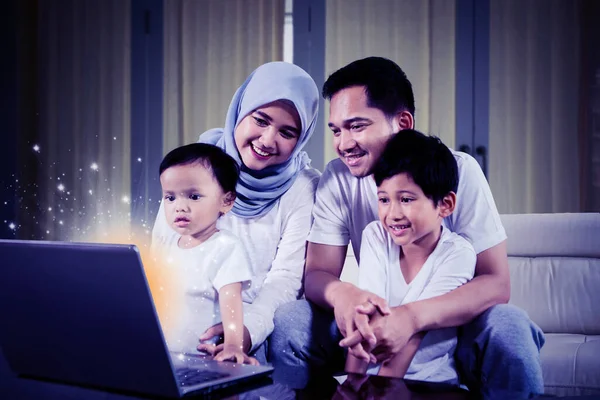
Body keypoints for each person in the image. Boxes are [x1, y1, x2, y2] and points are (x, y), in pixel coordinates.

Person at [270, 57, 545, 394]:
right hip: (369, 321)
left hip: (453, 327)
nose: (343, 144)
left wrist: (411, 318)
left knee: (511, 326)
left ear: (402, 122)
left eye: (357, 126)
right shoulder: (337, 179)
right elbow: (317, 275)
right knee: (291, 321)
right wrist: (347, 298)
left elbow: (495, 283)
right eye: (336, 130)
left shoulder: (459, 171)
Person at [152, 62, 320, 364]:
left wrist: (243, 331)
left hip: (249, 328)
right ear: (241, 110)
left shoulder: (303, 187)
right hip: (180, 321)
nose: (268, 140)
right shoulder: (197, 165)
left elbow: (284, 280)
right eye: (261, 120)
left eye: (287, 132)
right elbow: (161, 252)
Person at [344, 129, 475, 383]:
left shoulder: (457, 254)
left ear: (445, 205)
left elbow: (413, 334)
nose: (392, 214)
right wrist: (351, 386)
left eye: (405, 199)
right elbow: (366, 319)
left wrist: (381, 391)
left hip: (430, 385)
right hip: (372, 381)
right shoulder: (376, 235)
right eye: (384, 199)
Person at [153, 143, 257, 365]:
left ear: (226, 201)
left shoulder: (225, 247)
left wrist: (232, 345)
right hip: (165, 358)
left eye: (193, 196)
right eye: (170, 198)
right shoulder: (167, 244)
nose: (179, 207)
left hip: (203, 358)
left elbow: (232, 303)